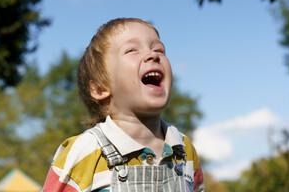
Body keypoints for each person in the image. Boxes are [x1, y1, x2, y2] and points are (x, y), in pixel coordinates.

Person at [42, 18, 205, 192]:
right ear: (99, 88)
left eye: (159, 49)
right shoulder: (86, 150)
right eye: (132, 50)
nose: (154, 55)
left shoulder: (184, 149)